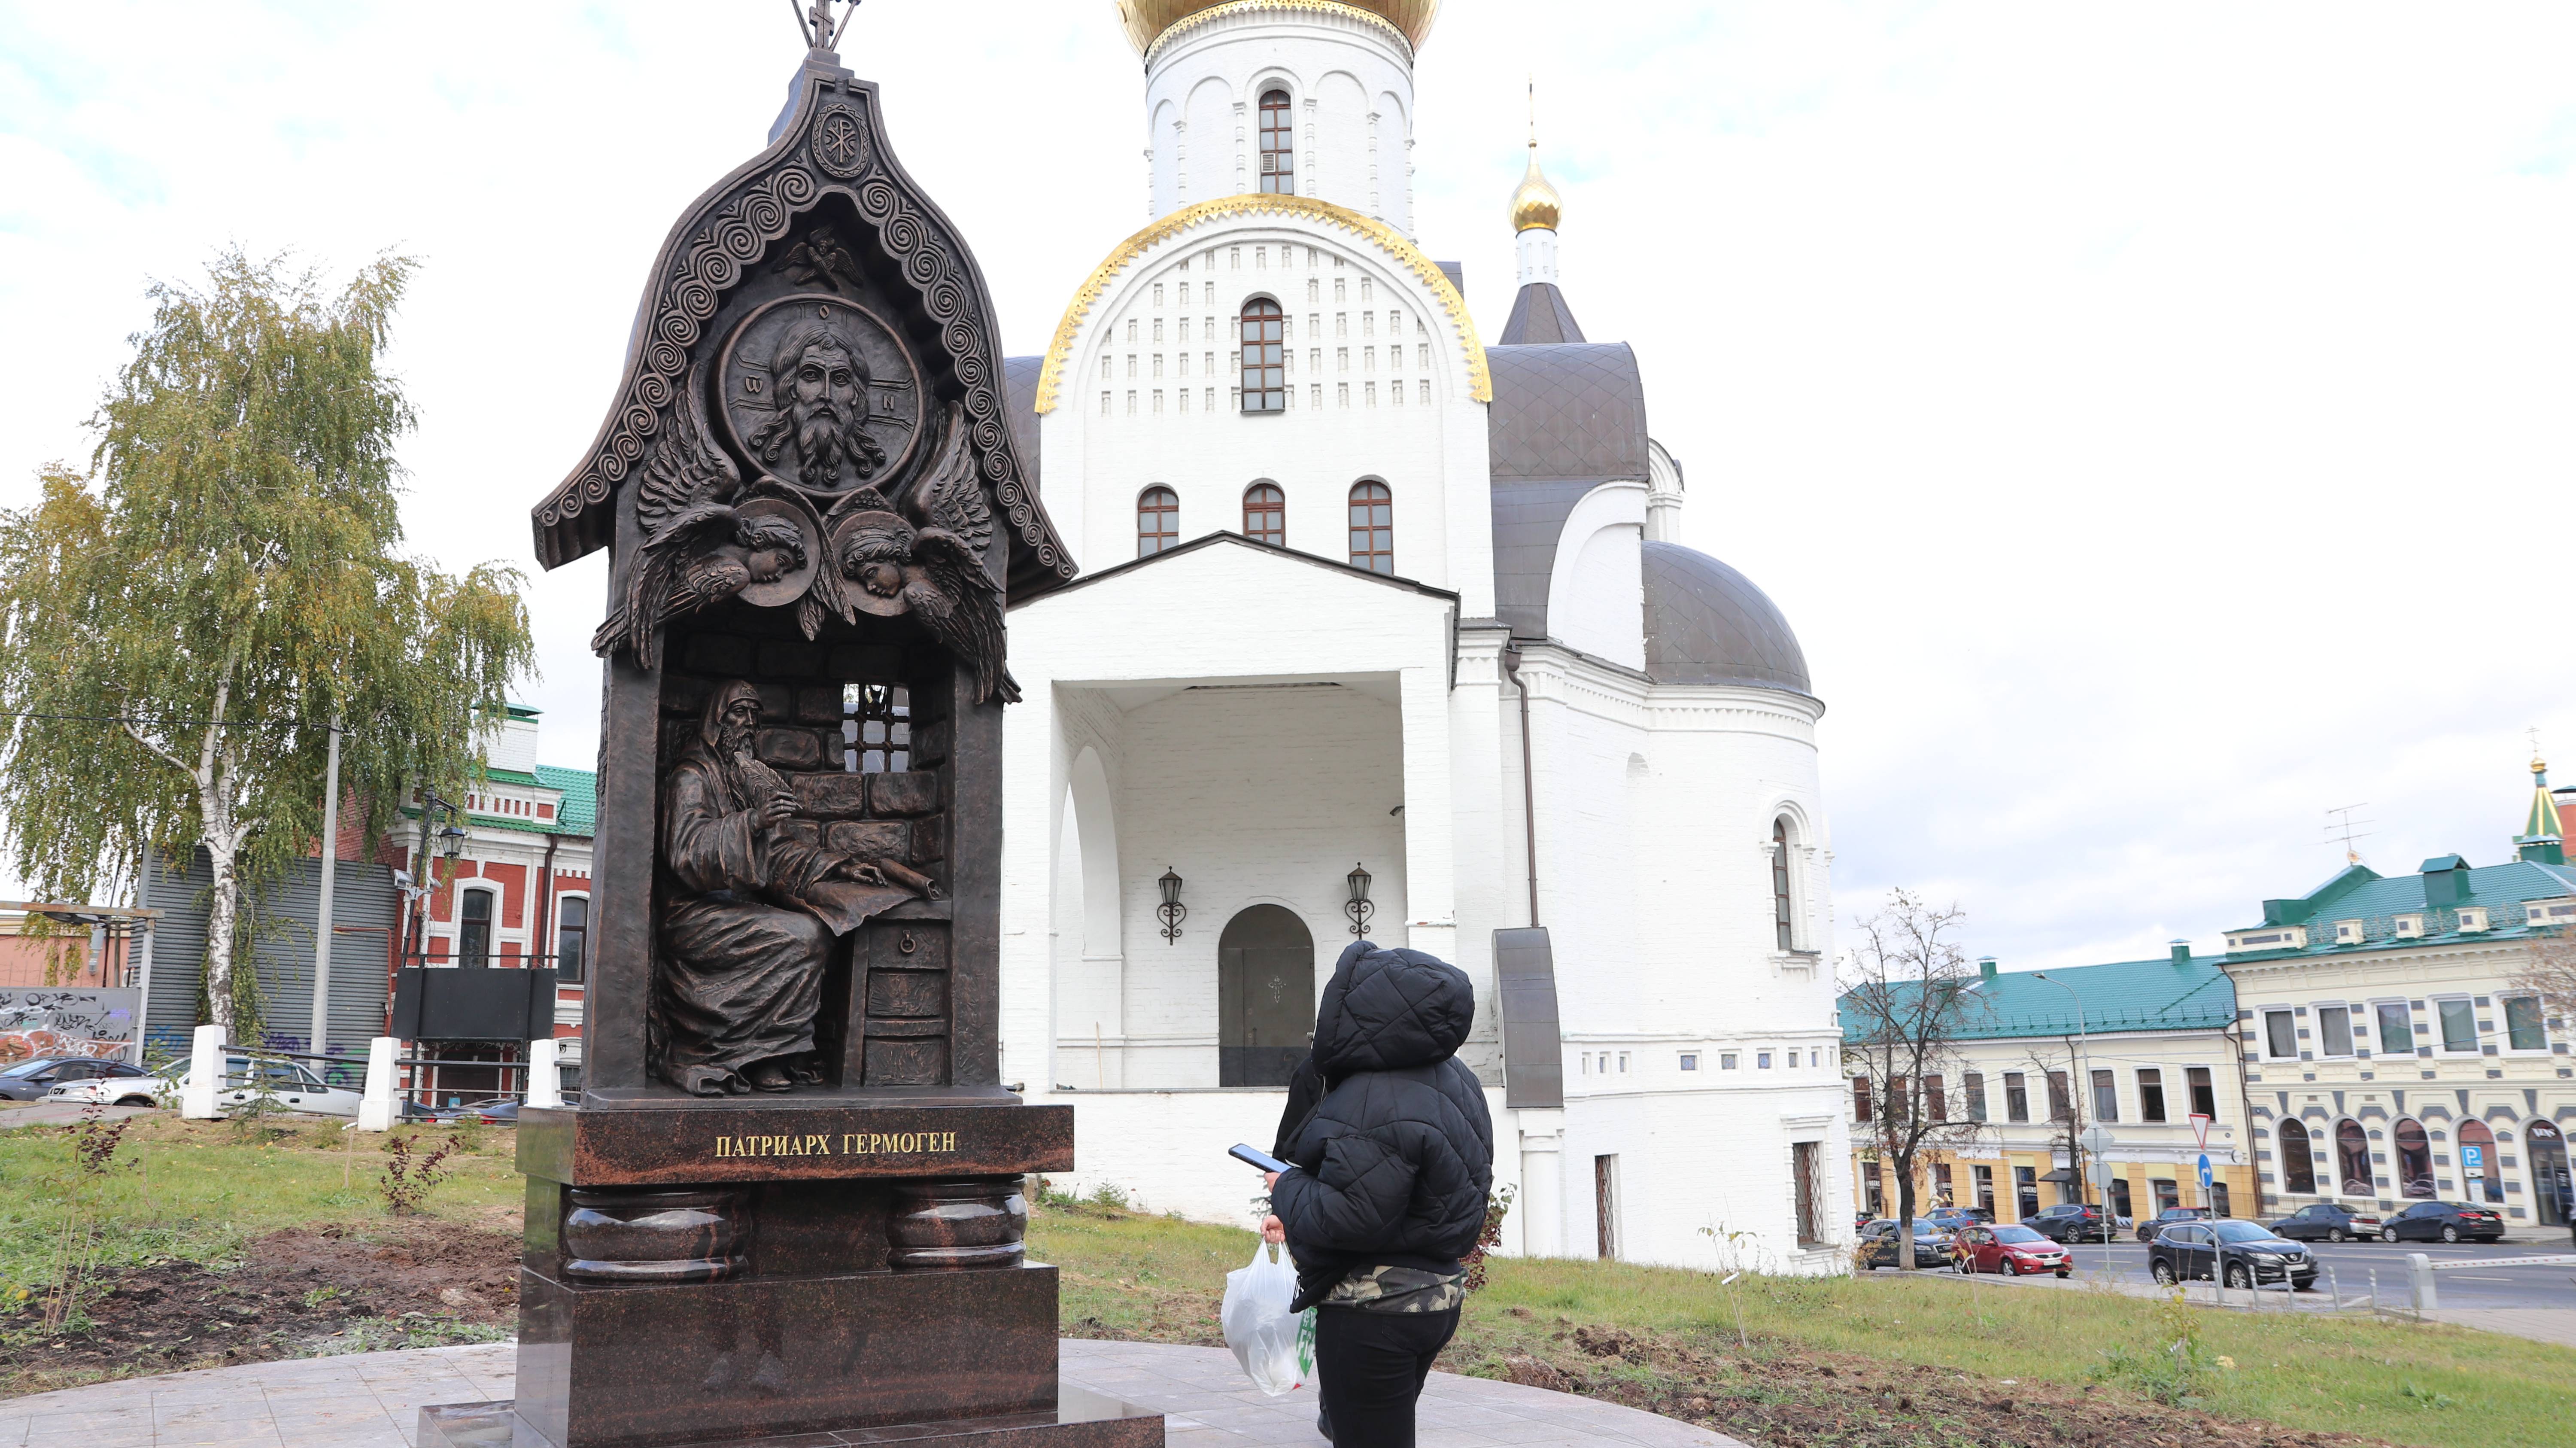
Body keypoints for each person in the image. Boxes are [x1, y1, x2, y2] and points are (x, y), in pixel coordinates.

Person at [1260, 940, 1494, 1448]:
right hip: (1437, 1299)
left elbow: (1351, 1217)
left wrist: (1287, 1187)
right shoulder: (1458, 1080)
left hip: (1374, 1311)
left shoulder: (1371, 1097)